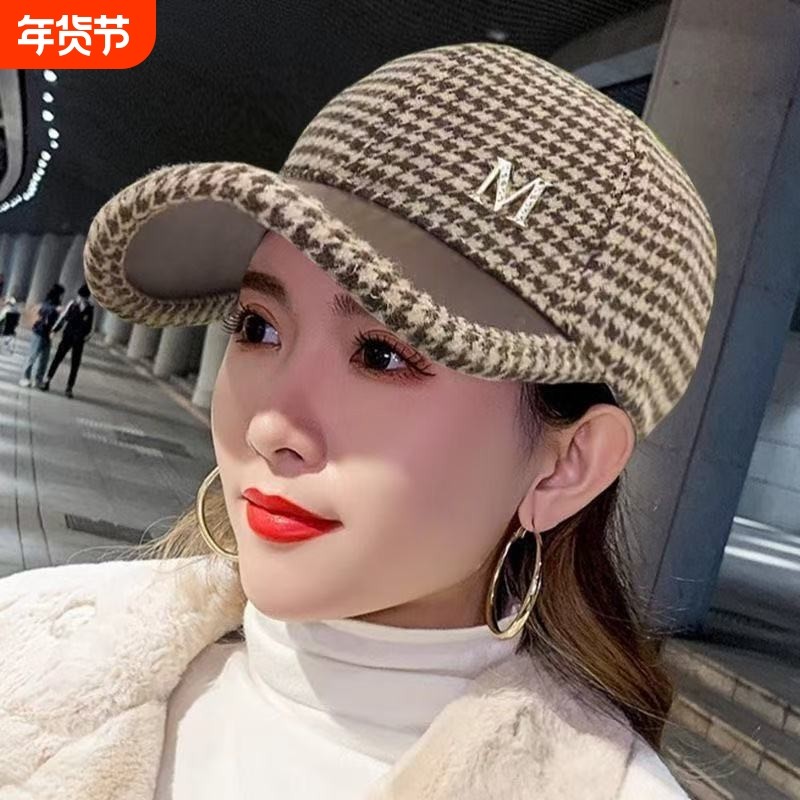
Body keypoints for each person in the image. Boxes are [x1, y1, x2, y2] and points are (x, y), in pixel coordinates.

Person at [0, 43, 716, 799]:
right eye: (258, 326)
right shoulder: (31, 643)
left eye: (381, 355)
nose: (270, 428)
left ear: (567, 466)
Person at [39, 282, 94, 398]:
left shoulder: (90, 308)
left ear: (86, 298)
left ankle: (69, 387)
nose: (80, 299)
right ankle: (47, 380)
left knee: (75, 364)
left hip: (79, 340)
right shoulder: (72, 304)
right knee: (57, 358)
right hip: (67, 336)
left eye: (83, 297)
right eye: (80, 297)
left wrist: (86, 337)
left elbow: (91, 326)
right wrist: (54, 330)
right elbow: (62, 318)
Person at [18, 283, 65, 388]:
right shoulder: (49, 303)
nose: (62, 297)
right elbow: (43, 309)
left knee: (44, 359)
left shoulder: (57, 305)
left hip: (47, 334)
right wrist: (55, 309)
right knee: (32, 356)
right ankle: (25, 377)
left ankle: (38, 379)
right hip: (39, 333)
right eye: (61, 294)